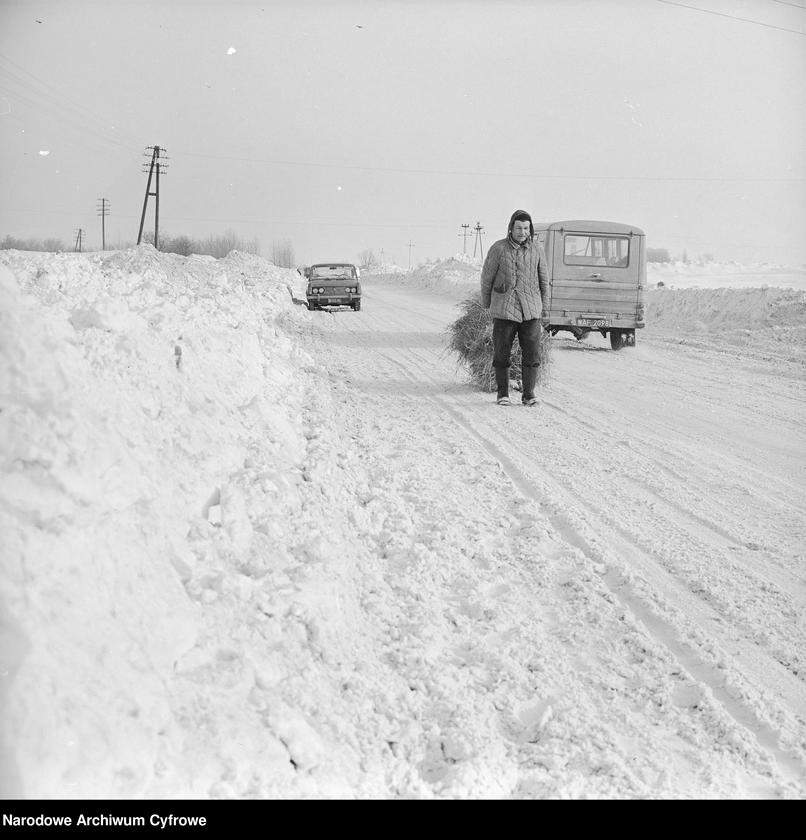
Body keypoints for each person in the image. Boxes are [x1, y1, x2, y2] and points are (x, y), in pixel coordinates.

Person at [480, 209, 549, 406]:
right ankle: (503, 394)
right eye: (518, 228)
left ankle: (529, 395)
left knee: (532, 354)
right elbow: (487, 278)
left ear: (530, 229)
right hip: (504, 309)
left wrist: (545, 309)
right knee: (502, 353)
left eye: (526, 228)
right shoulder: (498, 248)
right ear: (511, 228)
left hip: (531, 310)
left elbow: (544, 281)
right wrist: (487, 304)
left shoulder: (536, 250)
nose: (522, 232)